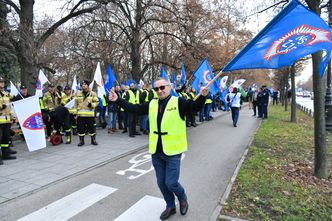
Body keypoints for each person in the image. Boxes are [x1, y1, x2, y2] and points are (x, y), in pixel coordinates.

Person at [109, 77, 209, 220]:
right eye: (156, 89)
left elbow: (194, 107)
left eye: (162, 87)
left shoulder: (178, 102)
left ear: (170, 87)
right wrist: (117, 100)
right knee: (161, 183)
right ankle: (170, 206)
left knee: (171, 182)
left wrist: (203, 97)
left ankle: (182, 197)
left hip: (173, 151)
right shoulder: (152, 103)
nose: (160, 91)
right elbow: (134, 109)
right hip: (156, 151)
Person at [74, 80, 99, 146]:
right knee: (80, 129)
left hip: (90, 115)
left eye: (85, 84)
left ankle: (93, 140)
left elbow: (97, 102)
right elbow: (75, 104)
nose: (83, 85)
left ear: (88, 85)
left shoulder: (93, 93)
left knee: (91, 128)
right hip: (80, 115)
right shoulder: (78, 93)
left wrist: (92, 105)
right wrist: (75, 113)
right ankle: (81, 141)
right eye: (82, 84)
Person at [0, 77, 16, 164]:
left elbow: (9, 106)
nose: (2, 83)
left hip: (6, 120)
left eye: (3, 82)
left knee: (6, 138)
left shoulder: (5, 93)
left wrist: (12, 117)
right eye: (0, 82)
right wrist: (1, 107)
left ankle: (5, 155)